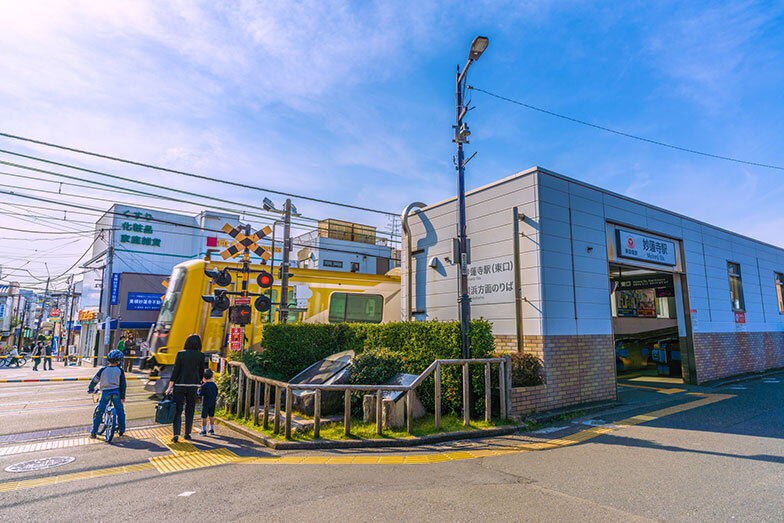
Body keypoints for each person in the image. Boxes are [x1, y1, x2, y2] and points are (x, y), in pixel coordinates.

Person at [165, 334, 205, 443]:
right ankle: (187, 433)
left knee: (178, 411)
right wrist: (199, 383)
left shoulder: (181, 354)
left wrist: (170, 387)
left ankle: (176, 435)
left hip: (179, 386)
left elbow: (175, 370)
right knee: (190, 409)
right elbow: (201, 371)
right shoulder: (201, 355)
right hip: (192, 386)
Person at [88, 350, 126, 438]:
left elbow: (95, 380)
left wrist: (90, 389)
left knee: (100, 411)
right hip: (116, 392)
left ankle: (93, 432)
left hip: (105, 393)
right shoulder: (120, 371)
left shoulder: (103, 370)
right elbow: (123, 385)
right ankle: (121, 429)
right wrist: (122, 396)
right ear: (119, 361)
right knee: (120, 411)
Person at [198, 369, 218, 435]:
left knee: (204, 417)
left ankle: (204, 430)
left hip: (205, 403)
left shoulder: (204, 386)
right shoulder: (214, 385)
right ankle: (211, 429)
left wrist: (198, 389)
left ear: (203, 377)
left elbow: (200, 394)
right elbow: (216, 393)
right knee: (211, 416)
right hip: (213, 402)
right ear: (212, 376)